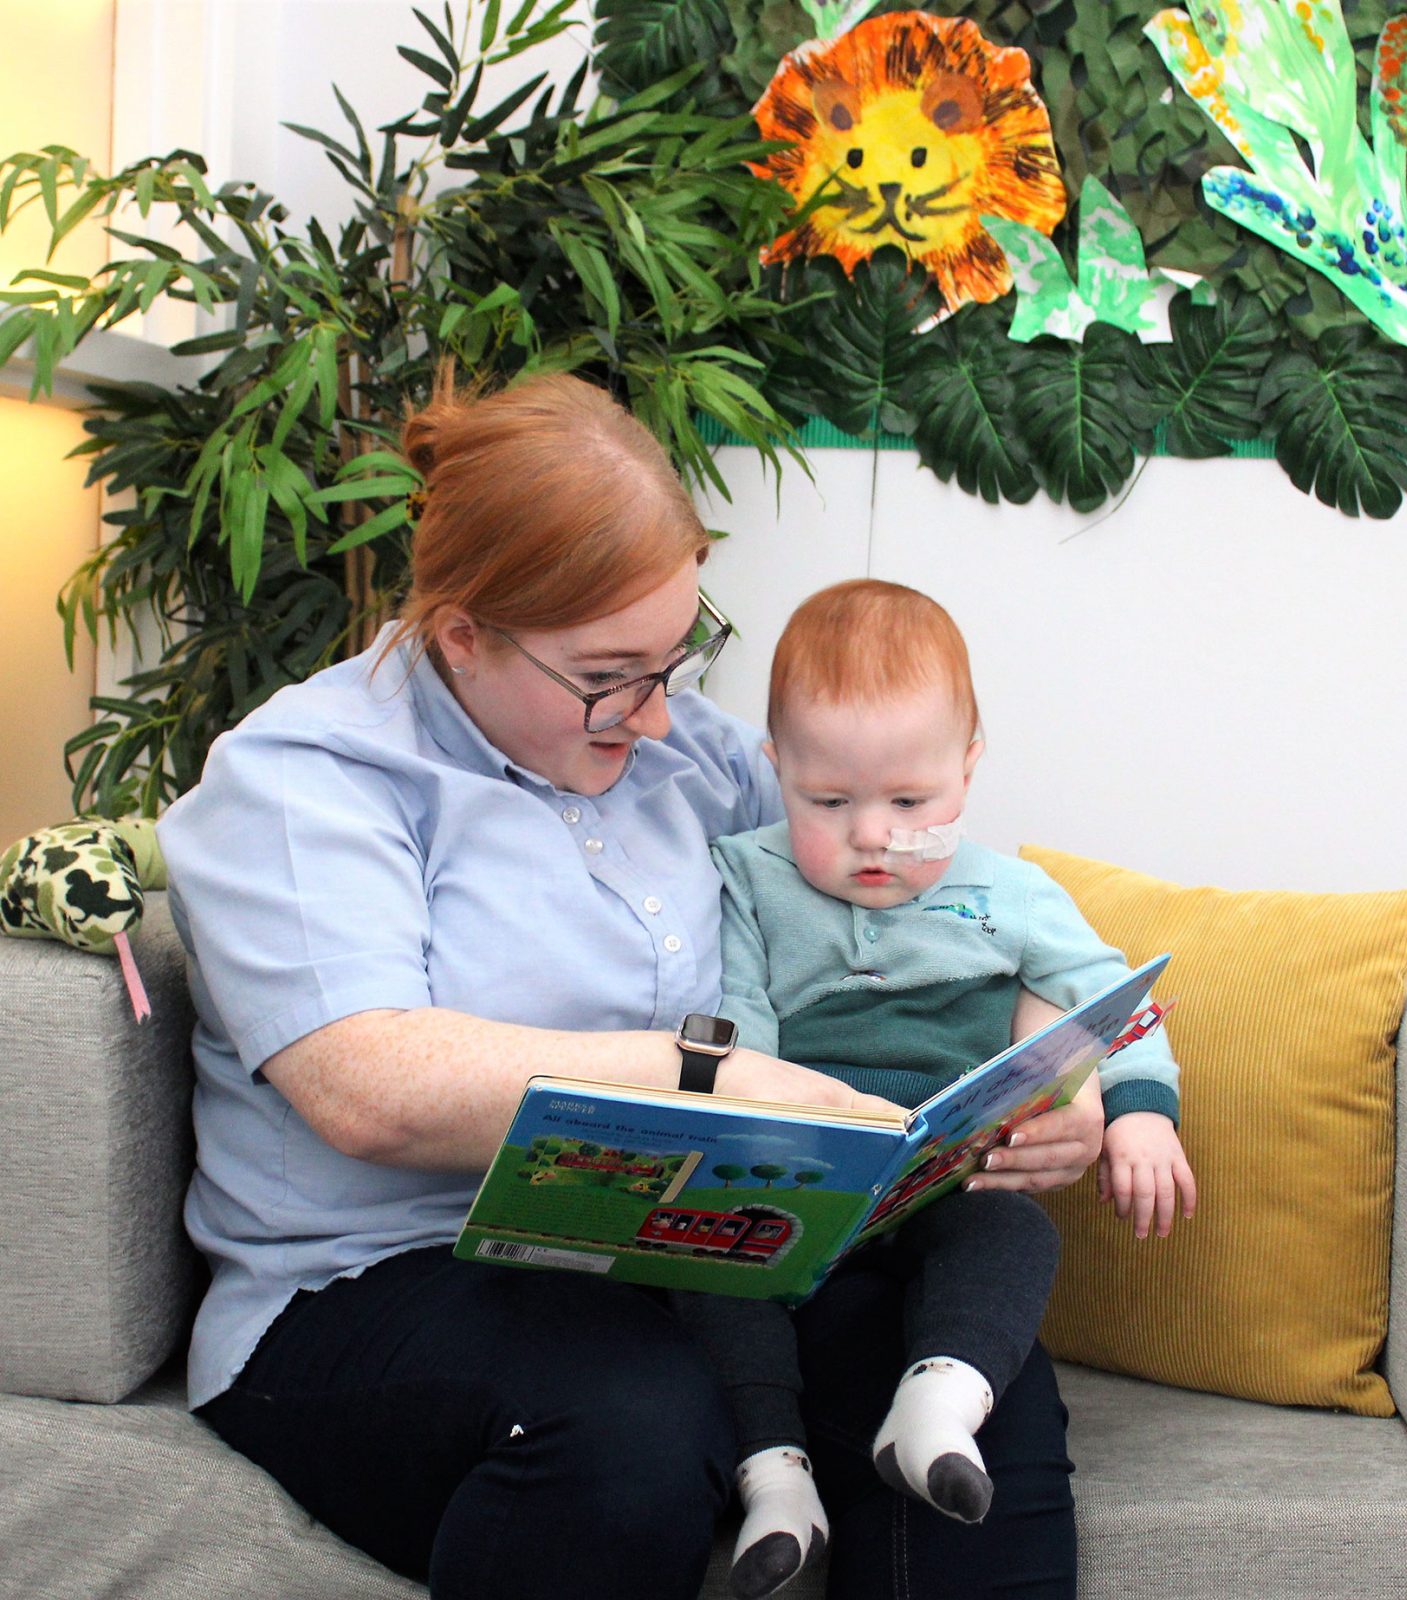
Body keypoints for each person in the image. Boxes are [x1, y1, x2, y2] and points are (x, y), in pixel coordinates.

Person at [156, 369, 1106, 1600]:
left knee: (968, 1391)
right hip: (374, 1285)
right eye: (612, 677)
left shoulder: (700, 759)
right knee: (635, 1426)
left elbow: (904, 928)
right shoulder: (304, 781)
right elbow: (366, 1086)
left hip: (680, 1253)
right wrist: (703, 1075)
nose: (659, 718)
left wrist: (1043, 1078)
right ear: (461, 637)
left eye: (677, 656)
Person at [675, 580, 1197, 1600]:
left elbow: (1116, 1001)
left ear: (966, 768)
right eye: (827, 803)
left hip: (947, 1163)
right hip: (803, 1159)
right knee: (714, 1266)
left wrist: (1138, 1110)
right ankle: (775, 1481)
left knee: (1014, 1235)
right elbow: (740, 1025)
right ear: (777, 771)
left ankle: (940, 1404)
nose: (872, 836)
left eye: (909, 804)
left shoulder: (1008, 894)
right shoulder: (746, 875)